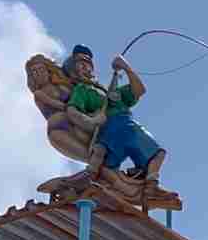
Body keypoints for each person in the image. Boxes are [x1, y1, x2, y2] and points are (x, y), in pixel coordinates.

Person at [64, 45, 166, 185]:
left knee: (158, 154)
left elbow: (139, 90)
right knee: (100, 155)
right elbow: (72, 111)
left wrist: (125, 66)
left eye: (88, 64)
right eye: (81, 64)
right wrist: (91, 122)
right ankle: (89, 181)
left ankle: (150, 184)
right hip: (111, 130)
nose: (86, 67)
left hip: (130, 127)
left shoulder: (111, 91)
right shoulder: (82, 90)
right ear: (72, 70)